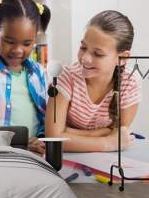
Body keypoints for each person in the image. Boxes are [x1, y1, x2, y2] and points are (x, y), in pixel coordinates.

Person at [45, 10, 141, 152]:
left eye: (98, 54)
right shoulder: (65, 77)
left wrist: (70, 133)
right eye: (83, 47)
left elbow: (121, 134)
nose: (85, 58)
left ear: (123, 58)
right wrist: (108, 142)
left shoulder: (130, 82)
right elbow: (53, 139)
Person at [0, 0, 51, 154]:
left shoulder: (39, 72)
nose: (18, 50)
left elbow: (46, 117)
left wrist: (40, 140)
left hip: (36, 154)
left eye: (27, 44)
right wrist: (18, 144)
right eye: (9, 41)